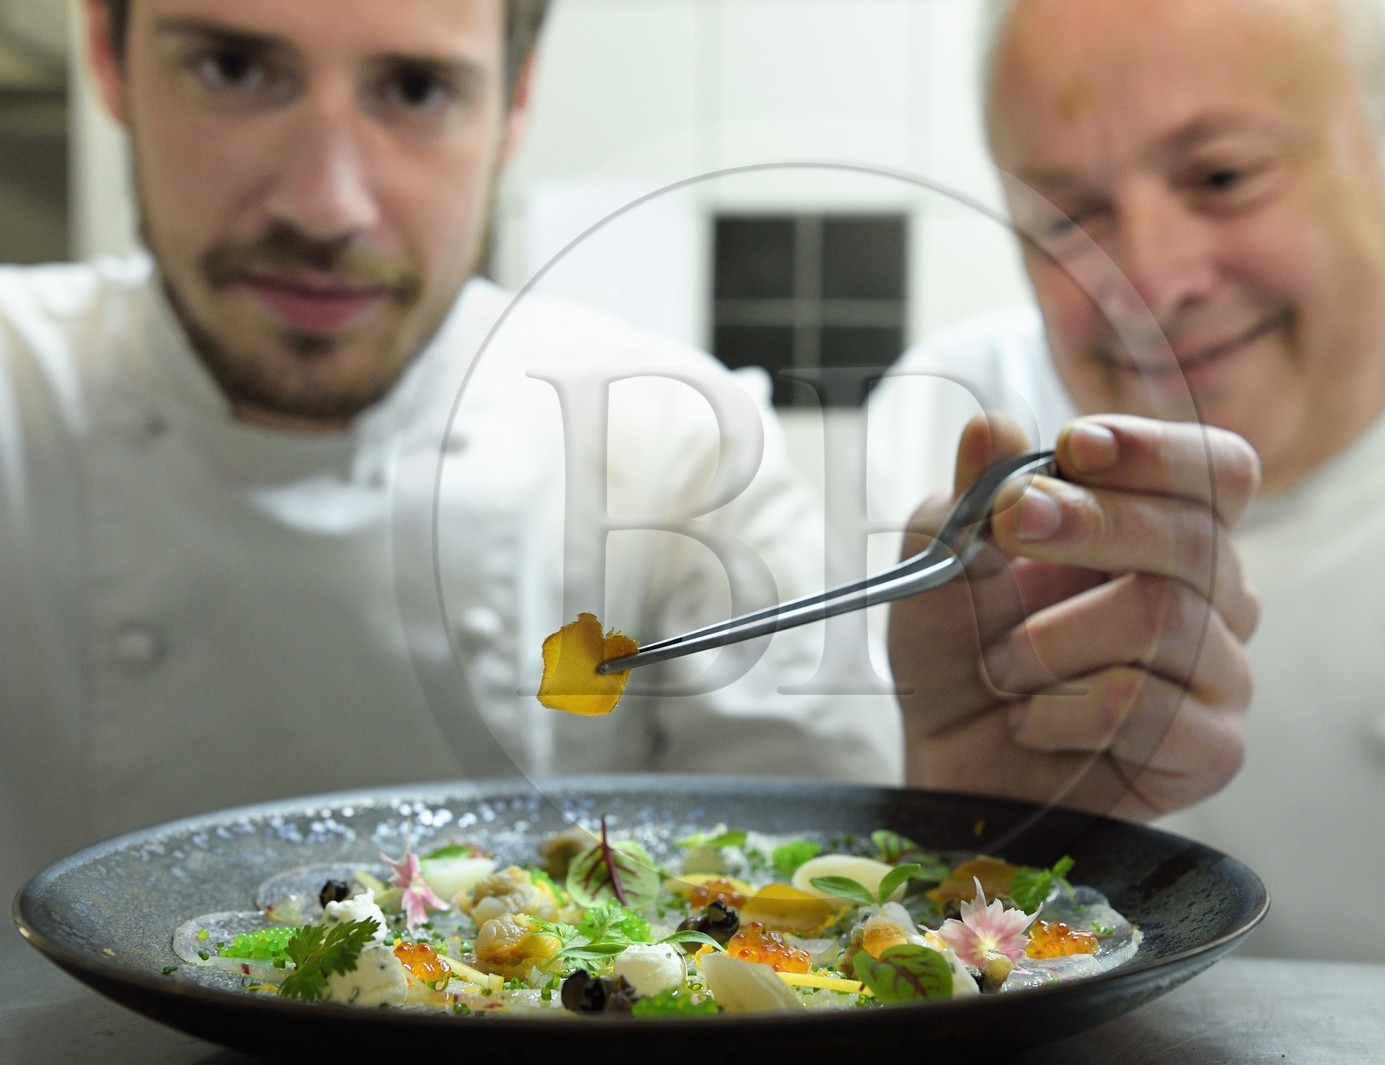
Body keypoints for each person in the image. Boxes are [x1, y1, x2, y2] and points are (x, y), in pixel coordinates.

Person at [0, 0, 913, 904]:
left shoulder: (675, 446)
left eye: (414, 88)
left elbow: (821, 911)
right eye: (233, 70)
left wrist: (959, 785)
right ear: (108, 56)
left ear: (515, 101)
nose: (325, 207)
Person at [868, 0, 1385, 973]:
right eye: (1066, 215)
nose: (1148, 286)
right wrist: (967, 835)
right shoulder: (947, 438)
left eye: (1222, 177)